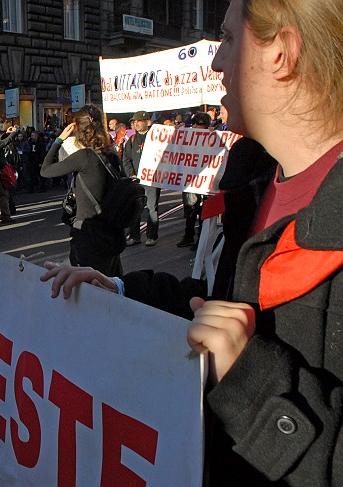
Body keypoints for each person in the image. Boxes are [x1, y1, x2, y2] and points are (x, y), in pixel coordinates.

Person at [42, 0, 343, 483]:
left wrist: (249, 377)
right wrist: (120, 293)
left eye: (227, 39)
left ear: (281, 53)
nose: (216, 62)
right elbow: (214, 306)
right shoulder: (255, 181)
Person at [41, 105, 125, 275]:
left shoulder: (84, 156)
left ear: (79, 130)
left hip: (89, 233)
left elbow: (46, 170)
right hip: (112, 232)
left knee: (90, 290)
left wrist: (59, 139)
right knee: (113, 285)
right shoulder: (111, 154)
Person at [123, 110, 159, 246]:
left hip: (152, 180)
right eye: (134, 122)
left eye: (139, 121)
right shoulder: (132, 140)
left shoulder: (156, 138)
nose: (136, 124)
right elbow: (126, 159)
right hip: (137, 180)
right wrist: (131, 174)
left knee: (152, 208)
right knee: (135, 208)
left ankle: (152, 236)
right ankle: (134, 236)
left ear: (147, 122)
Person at [177, 112, 213, 248]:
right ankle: (188, 235)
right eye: (195, 124)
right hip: (189, 180)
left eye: (201, 124)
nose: (197, 126)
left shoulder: (213, 139)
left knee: (203, 211)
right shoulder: (188, 137)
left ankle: (201, 239)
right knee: (190, 210)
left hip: (205, 182)